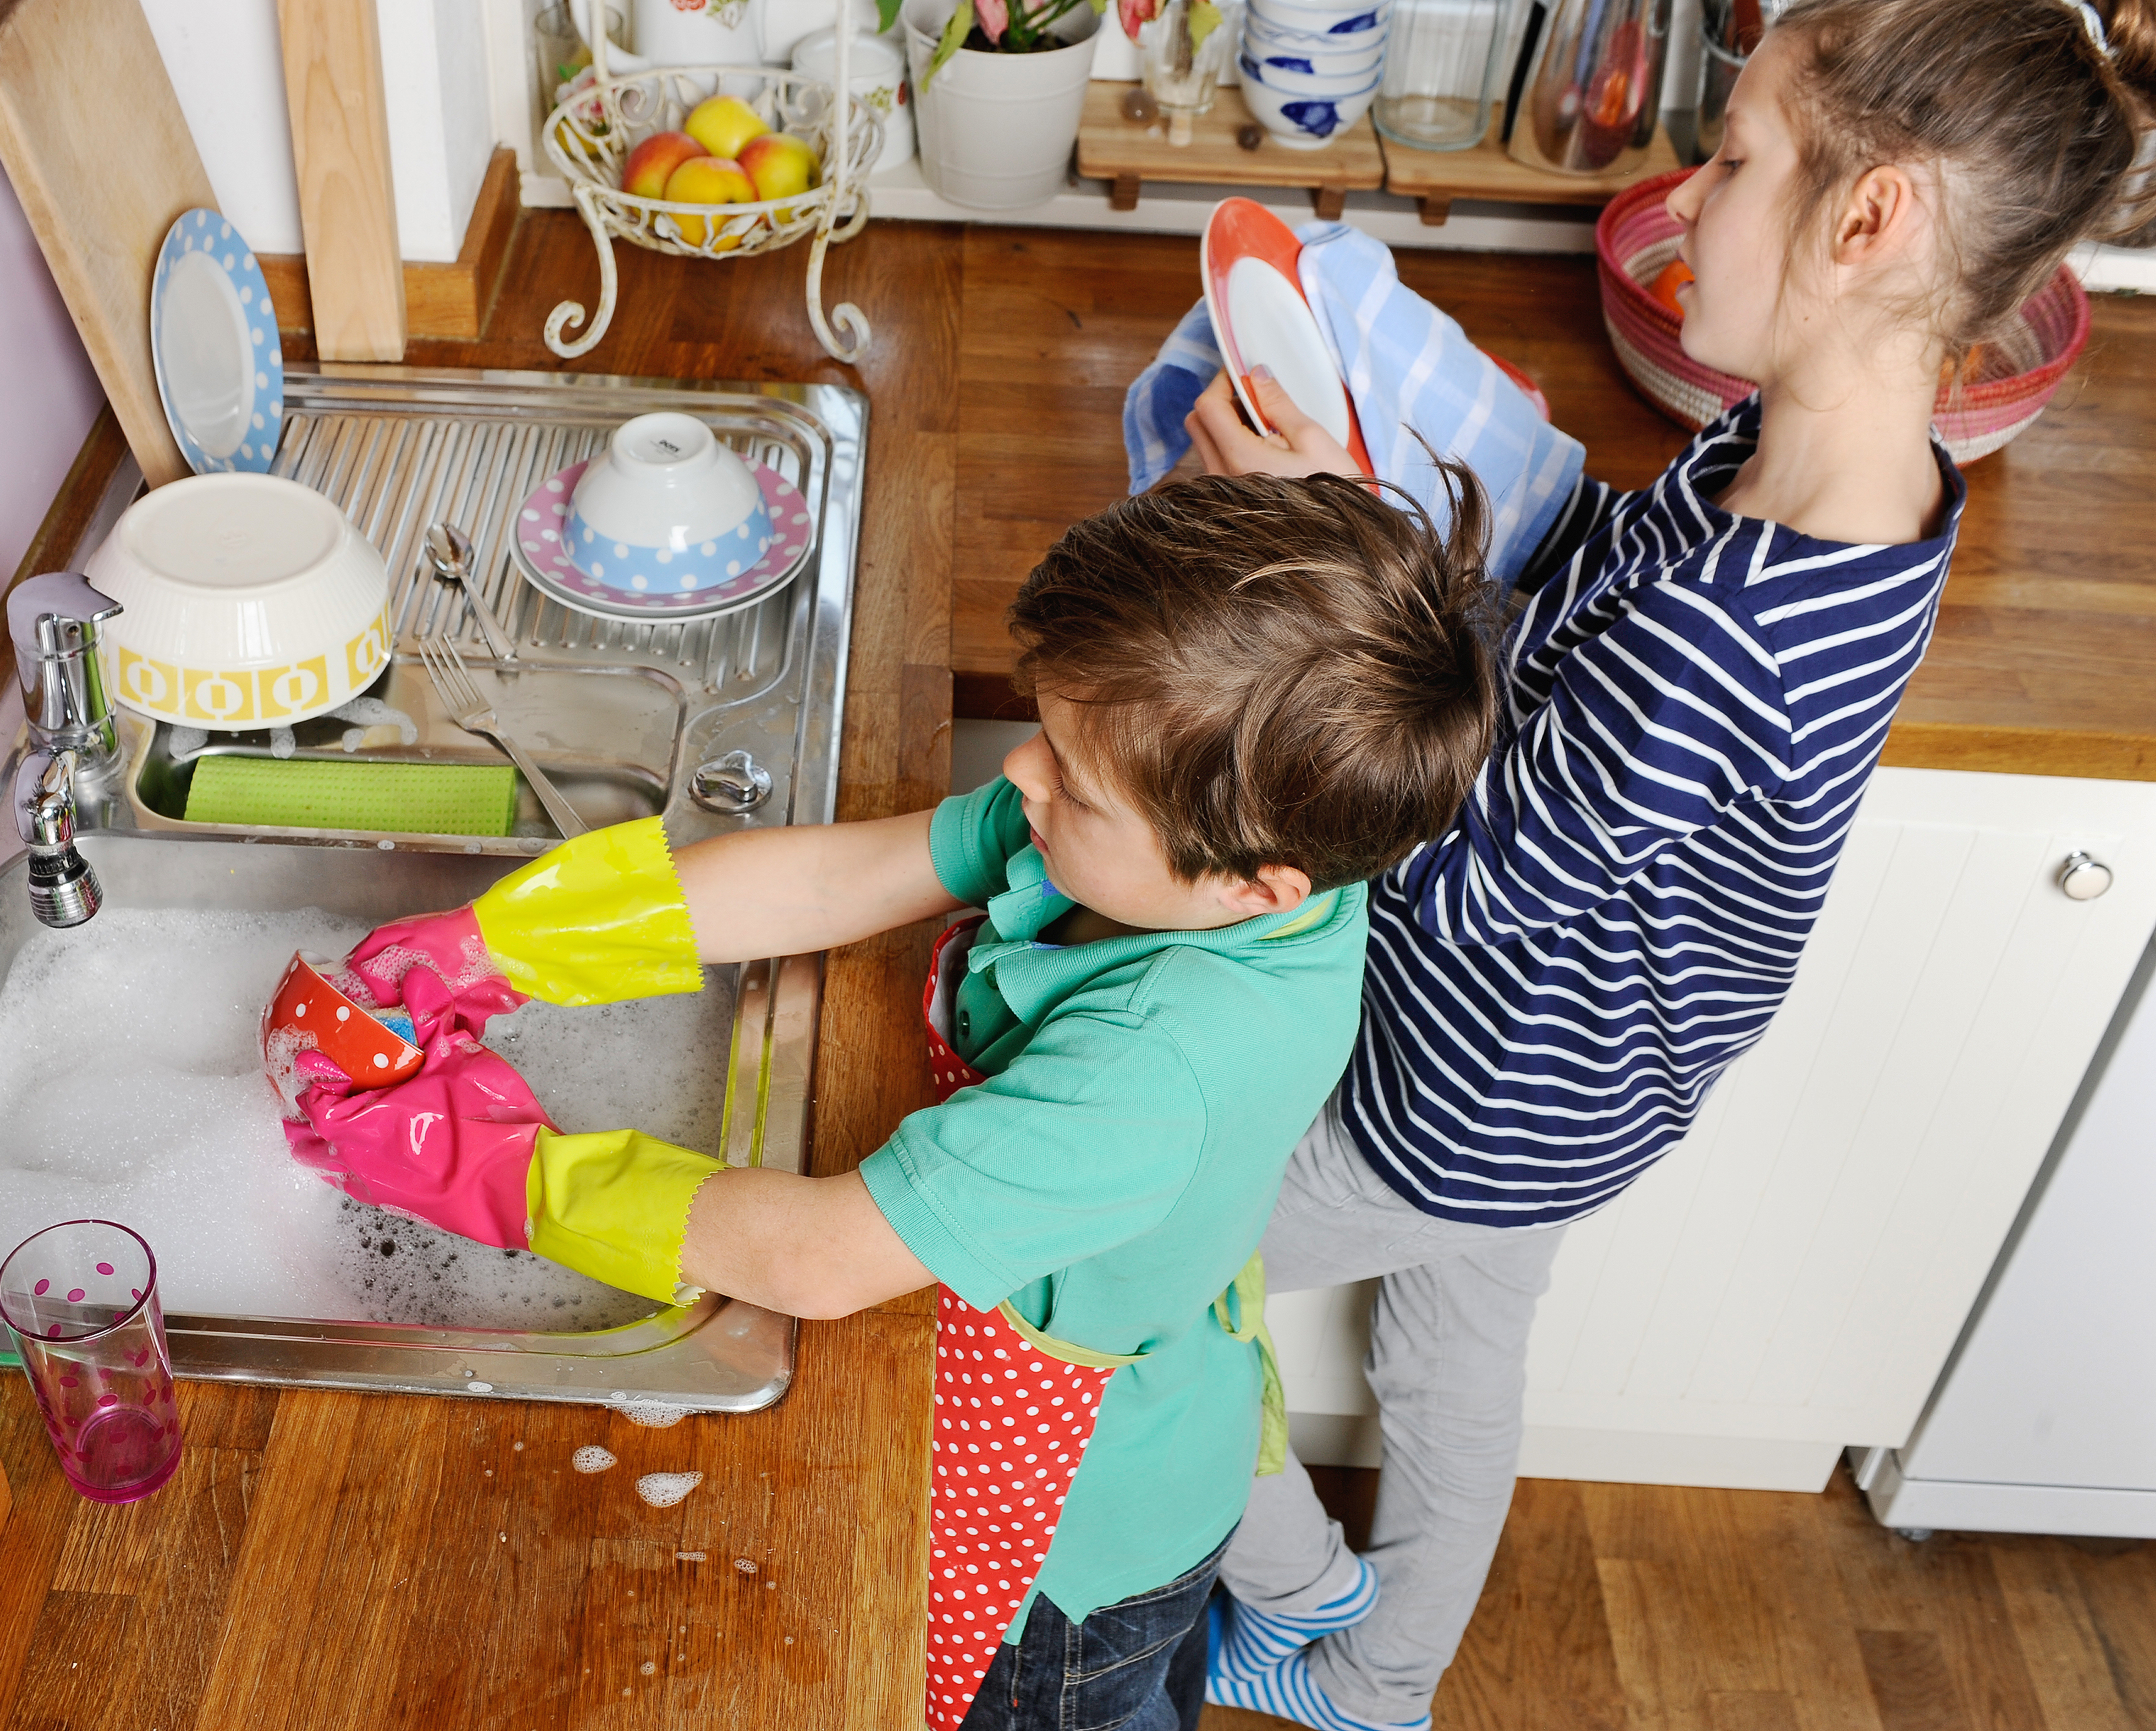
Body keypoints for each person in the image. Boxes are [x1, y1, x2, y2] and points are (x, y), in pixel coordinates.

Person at [1178, 1, 2156, 1726]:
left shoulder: (1733, 620)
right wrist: (1396, 500)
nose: (1685, 200)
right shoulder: (1834, 477)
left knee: (1140, 1265)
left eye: (1733, 159)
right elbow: (1567, 629)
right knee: (1454, 1363)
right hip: (1601, 1077)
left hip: (1476, 1085)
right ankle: (1382, 1680)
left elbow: (1461, 873)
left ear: (1870, 222)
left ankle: (1305, 1590)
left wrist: (1334, 557)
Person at [267, 472, 1499, 1731]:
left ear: (1255, 884)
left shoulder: (1159, 1063)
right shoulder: (1202, 846)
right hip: (1156, 1417)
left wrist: (481, 1167)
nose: (1019, 769)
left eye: (1071, 782)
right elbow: (839, 877)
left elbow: (814, 1256)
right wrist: (505, 946)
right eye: (1044, 734)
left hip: (1063, 1558)